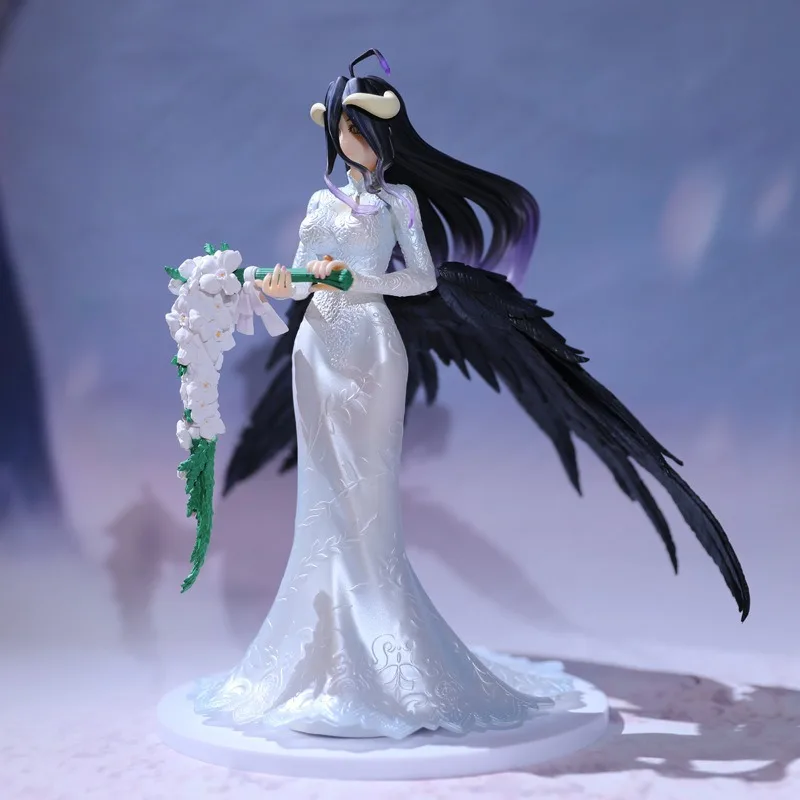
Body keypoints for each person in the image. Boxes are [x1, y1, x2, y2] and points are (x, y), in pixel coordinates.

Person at [193, 49, 749, 740]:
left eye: (355, 129)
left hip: (369, 346)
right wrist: (282, 282)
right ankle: (318, 649)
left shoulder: (398, 202)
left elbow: (421, 279)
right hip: (317, 352)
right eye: (339, 129)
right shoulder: (318, 202)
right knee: (323, 492)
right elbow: (305, 275)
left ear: (383, 133)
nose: (346, 140)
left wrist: (359, 283)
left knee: (366, 494)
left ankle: (382, 652)